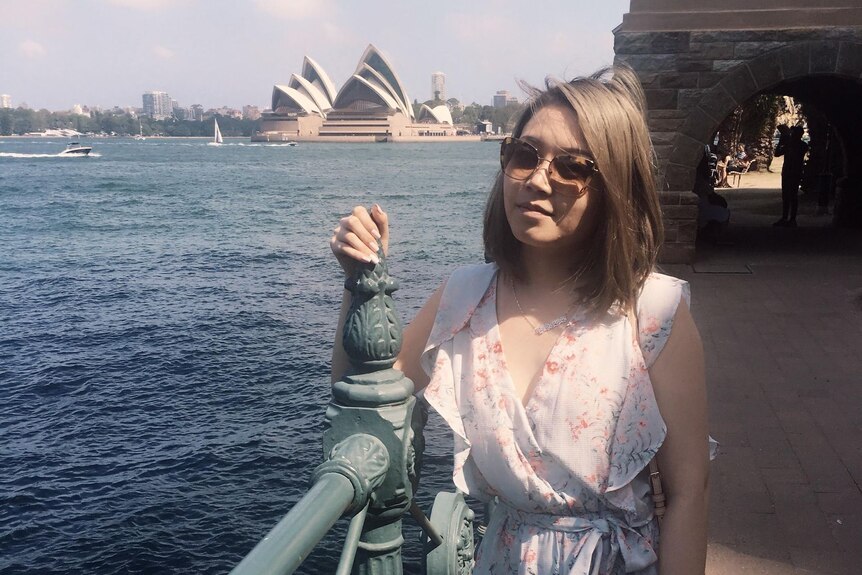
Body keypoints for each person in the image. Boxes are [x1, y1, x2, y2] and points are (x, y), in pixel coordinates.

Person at [330, 66, 711, 574]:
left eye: (572, 167)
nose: (536, 179)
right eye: (524, 154)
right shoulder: (464, 297)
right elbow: (365, 395)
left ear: (615, 188)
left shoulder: (654, 312)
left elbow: (689, 494)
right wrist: (359, 282)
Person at [773, 125, 809, 227]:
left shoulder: (800, 146)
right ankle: (787, 218)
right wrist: (782, 142)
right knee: (787, 195)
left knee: (792, 196)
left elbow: (778, 153)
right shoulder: (798, 145)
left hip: (793, 172)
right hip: (790, 172)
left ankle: (790, 219)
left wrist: (783, 142)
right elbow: (777, 154)